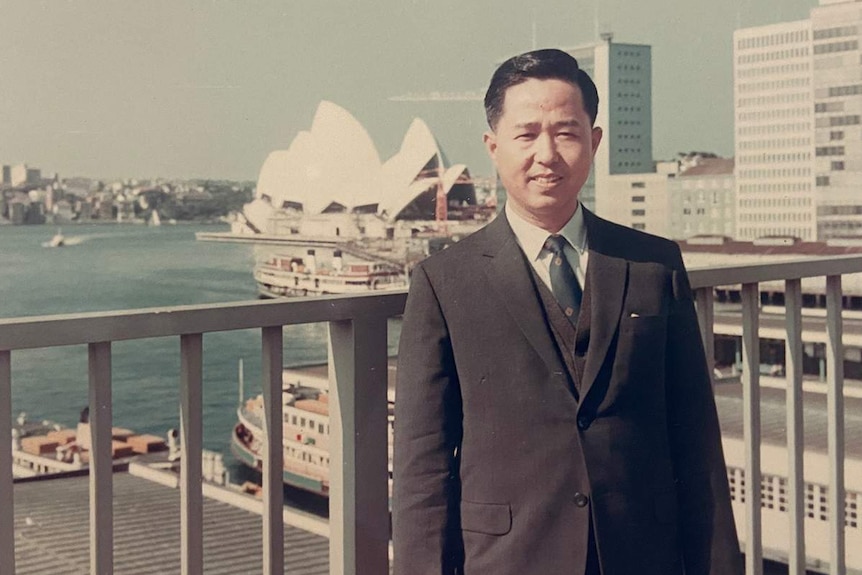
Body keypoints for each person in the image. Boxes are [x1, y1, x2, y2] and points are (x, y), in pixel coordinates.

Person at [392, 48, 742, 575]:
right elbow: (424, 465)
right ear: (493, 146)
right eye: (526, 134)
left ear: (594, 142)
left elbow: (695, 439)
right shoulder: (445, 281)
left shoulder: (652, 264)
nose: (547, 153)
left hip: (644, 554)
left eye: (566, 132)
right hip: (508, 559)